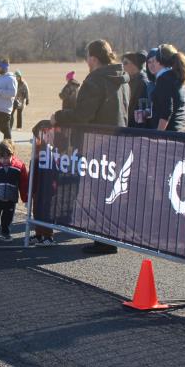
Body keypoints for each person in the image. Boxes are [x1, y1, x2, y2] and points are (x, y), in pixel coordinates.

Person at [52, 39, 131, 256]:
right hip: (118, 141)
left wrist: (59, 116)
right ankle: (109, 236)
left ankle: (104, 240)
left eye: (88, 57)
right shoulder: (123, 79)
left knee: (100, 191)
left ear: (94, 58)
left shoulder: (95, 79)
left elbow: (82, 115)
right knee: (110, 190)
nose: (87, 61)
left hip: (97, 143)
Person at [0, 140, 29, 240]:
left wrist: (25, 199)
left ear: (12, 154)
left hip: (11, 198)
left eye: (7, 157)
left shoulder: (19, 166)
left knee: (8, 218)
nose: (4, 160)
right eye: (1, 158)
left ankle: (5, 232)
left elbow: (24, 183)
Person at [150, 43, 185, 132]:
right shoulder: (179, 76)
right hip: (181, 131)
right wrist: (182, 126)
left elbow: (167, 110)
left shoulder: (164, 79)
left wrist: (159, 134)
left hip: (168, 134)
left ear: (158, 61)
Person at [122, 52, 152, 128]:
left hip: (136, 128)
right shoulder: (131, 80)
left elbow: (142, 109)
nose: (123, 66)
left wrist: (138, 130)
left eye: (125, 63)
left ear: (134, 65)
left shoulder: (142, 83)